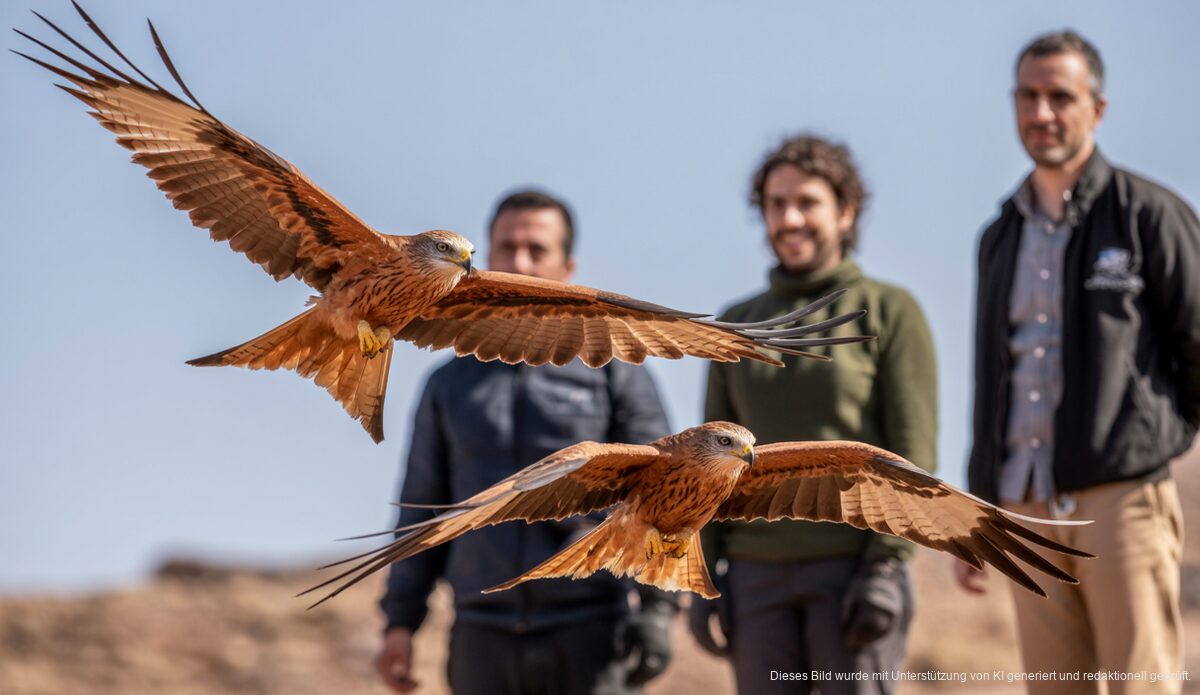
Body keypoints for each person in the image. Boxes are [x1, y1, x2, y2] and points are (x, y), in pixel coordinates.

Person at [958, 30, 1200, 695]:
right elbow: (992, 378)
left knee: (1141, 686)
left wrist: (1147, 441)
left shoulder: (1148, 214)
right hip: (1024, 504)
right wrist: (981, 502)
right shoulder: (998, 235)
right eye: (1029, 97)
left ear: (1097, 108)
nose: (1042, 114)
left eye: (1060, 97)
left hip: (1122, 500)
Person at [375, 190, 679, 695]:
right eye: (506, 248)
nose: (518, 263)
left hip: (591, 630)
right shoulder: (447, 384)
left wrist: (659, 612)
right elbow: (421, 509)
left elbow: (666, 493)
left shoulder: (612, 369)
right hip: (480, 637)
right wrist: (399, 624)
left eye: (536, 250)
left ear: (568, 267)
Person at [689, 136, 938, 694]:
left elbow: (913, 456)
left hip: (852, 569)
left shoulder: (890, 311)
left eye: (807, 202)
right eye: (776, 205)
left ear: (845, 211)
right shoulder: (736, 324)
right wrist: (703, 572)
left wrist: (886, 568)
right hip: (754, 578)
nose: (790, 218)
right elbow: (708, 466)